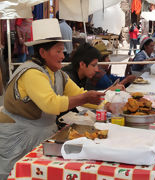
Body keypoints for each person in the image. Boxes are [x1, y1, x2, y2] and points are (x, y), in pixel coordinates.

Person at [0, 18, 105, 179]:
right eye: (58, 51)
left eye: (63, 51)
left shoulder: (59, 74)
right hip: (18, 138)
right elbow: (51, 104)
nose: (63, 56)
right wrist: (85, 98)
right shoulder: (31, 73)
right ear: (43, 52)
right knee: (16, 174)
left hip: (41, 135)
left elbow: (78, 93)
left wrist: (107, 105)